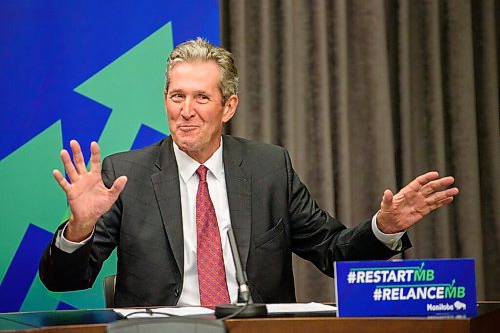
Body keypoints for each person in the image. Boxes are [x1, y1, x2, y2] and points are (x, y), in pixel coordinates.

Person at [39, 38, 459, 308]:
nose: (186, 111)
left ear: (229, 107)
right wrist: (79, 228)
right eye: (177, 96)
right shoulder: (124, 173)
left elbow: (334, 253)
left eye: (202, 97)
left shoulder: (268, 168)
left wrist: (383, 227)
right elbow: (64, 282)